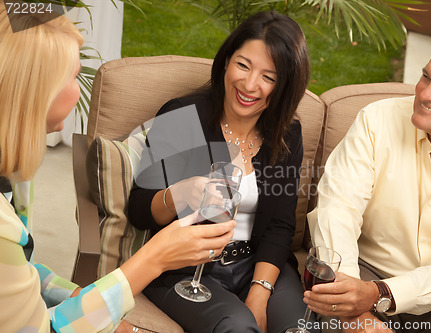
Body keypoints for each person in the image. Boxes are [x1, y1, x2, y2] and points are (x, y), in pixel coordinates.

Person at [0, 5, 236, 333]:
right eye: (74, 74)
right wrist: (154, 257)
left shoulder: (10, 182)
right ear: (36, 92)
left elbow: (19, 271)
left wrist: (81, 300)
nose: (79, 88)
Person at [127, 11, 314, 333]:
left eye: (269, 77)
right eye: (243, 65)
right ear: (226, 60)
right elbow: (139, 209)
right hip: (186, 268)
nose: (250, 84)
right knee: (237, 327)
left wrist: (259, 292)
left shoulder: (287, 134)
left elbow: (281, 226)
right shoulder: (183, 116)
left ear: (284, 86)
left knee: (299, 329)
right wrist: (177, 195)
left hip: (259, 265)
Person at [306, 23, 431, 333]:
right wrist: (352, 303)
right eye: (426, 76)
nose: (425, 93)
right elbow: (337, 210)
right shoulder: (377, 121)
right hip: (360, 275)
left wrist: (379, 295)